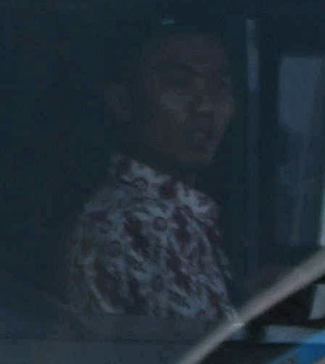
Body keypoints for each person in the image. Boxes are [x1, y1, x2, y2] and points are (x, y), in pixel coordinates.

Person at [67, 19, 238, 323]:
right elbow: (200, 359)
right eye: (180, 83)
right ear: (122, 102)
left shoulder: (177, 213)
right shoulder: (137, 223)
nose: (205, 105)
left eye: (219, 85)